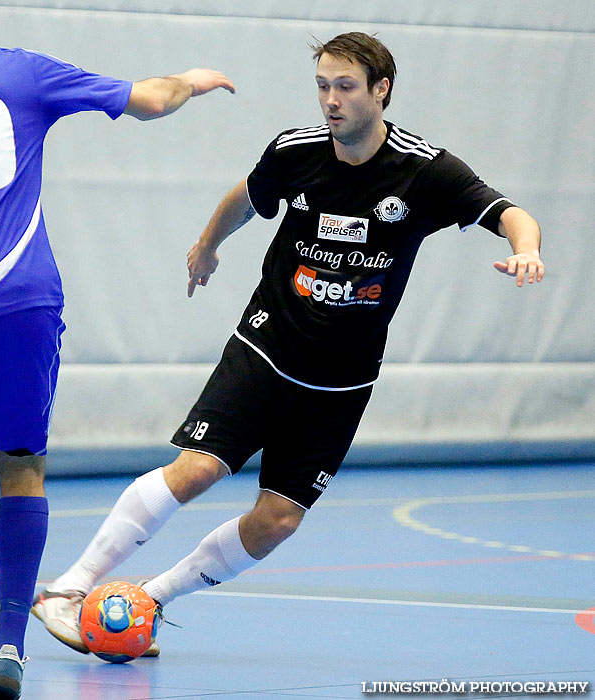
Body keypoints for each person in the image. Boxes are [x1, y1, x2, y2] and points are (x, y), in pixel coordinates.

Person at [31, 31, 545, 657]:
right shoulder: (296, 152)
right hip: (267, 347)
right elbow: (246, 199)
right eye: (323, 86)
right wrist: (206, 246)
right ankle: (67, 588)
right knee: (199, 470)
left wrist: (526, 250)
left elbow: (509, 211)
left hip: (341, 381)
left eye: (346, 87)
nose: (331, 101)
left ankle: (152, 599)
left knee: (279, 520)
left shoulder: (427, 171)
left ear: (381, 91)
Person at [0, 0, 235, 696]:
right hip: (25, 303)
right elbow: (151, 100)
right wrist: (188, 77)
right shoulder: (20, 72)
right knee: (22, 467)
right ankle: (9, 649)